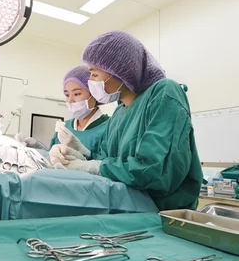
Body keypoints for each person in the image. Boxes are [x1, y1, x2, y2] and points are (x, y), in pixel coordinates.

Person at [50, 31, 203, 211]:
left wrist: (91, 167)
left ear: (119, 70)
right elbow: (107, 161)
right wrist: (80, 154)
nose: (90, 81)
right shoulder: (119, 112)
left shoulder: (164, 93)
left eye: (94, 73)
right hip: (129, 207)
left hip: (165, 212)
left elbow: (154, 170)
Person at [49, 65, 109, 156]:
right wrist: (39, 150)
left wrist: (85, 153)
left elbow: (109, 165)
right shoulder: (65, 128)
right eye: (67, 95)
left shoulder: (109, 127)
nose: (70, 100)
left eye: (76, 94)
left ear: (94, 94)